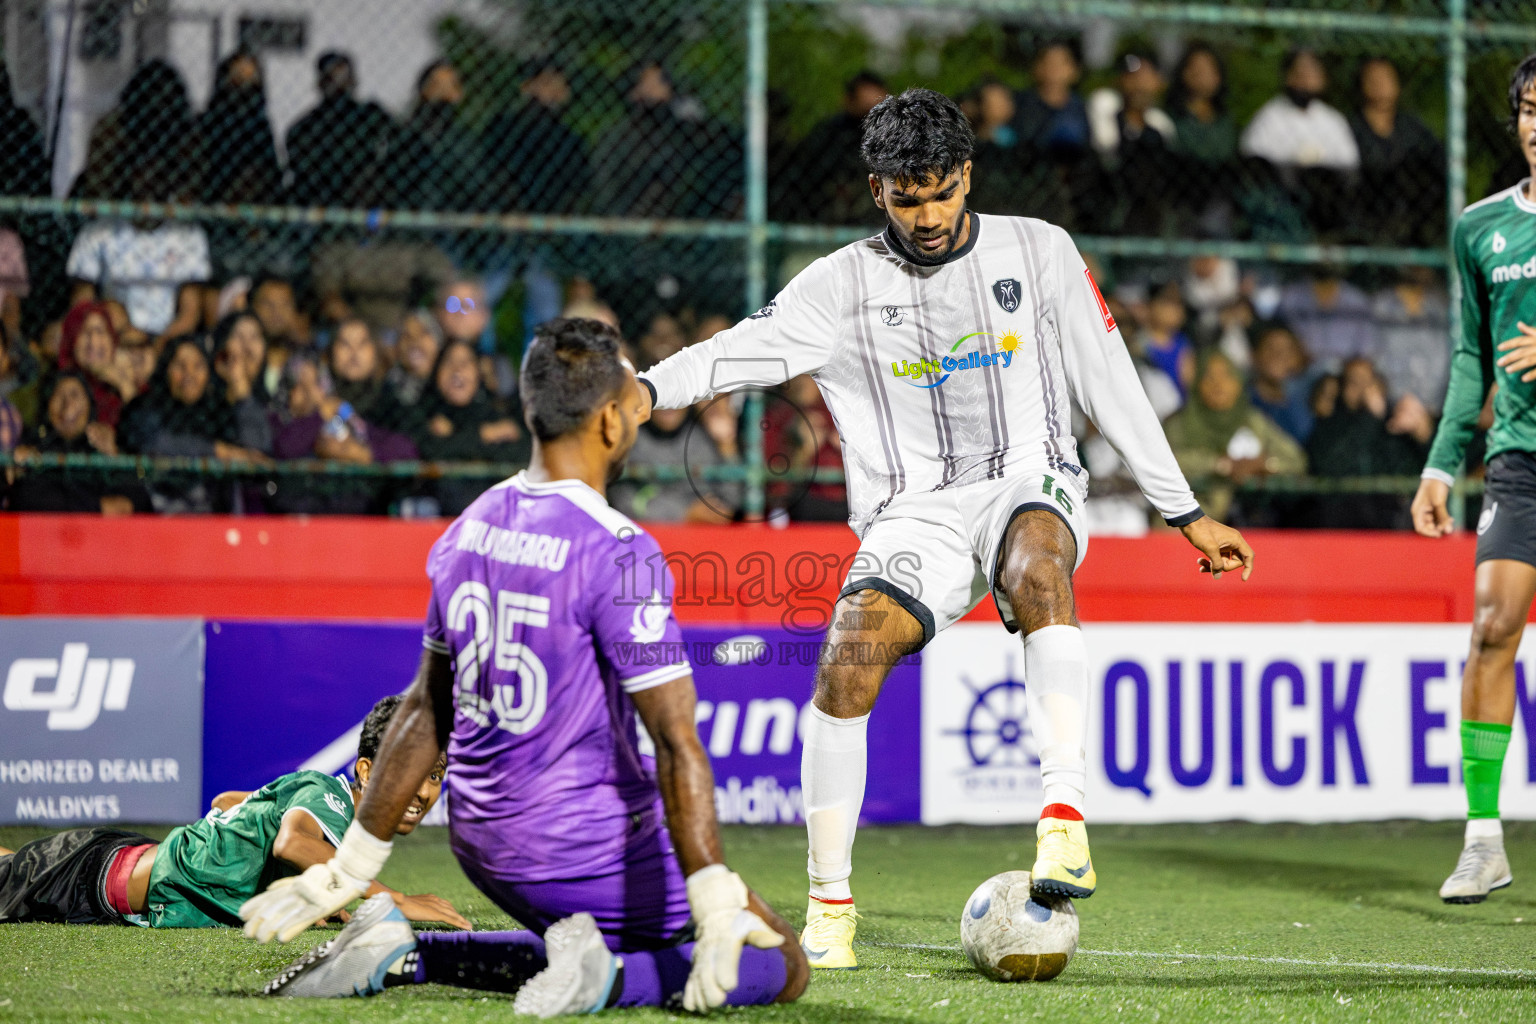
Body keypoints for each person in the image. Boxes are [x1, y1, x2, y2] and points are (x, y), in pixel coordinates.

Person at [634, 88, 1253, 968]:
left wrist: (1182, 507)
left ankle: (1064, 815)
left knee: (1038, 566)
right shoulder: (840, 283)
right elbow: (733, 351)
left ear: (967, 175)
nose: (926, 216)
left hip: (1026, 475)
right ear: (877, 190)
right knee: (846, 660)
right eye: (905, 197)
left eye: (940, 192)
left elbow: (1108, 377)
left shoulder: (1039, 249)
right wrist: (646, 390)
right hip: (911, 510)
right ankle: (830, 905)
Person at [239, 318, 808, 1015]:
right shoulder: (619, 548)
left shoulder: (468, 527)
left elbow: (424, 710)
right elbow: (675, 741)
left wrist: (350, 868)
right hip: (582, 850)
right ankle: (608, 984)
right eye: (632, 399)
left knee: (593, 934)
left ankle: (407, 951)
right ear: (609, 421)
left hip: (481, 848)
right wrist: (713, 896)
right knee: (779, 960)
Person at [0, 696, 467, 929]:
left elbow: (226, 802)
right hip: (95, 878)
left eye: (434, 774)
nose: (423, 789)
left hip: (115, 864)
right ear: (366, 770)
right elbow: (291, 843)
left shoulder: (329, 812)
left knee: (12, 866)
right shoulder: (330, 796)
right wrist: (392, 897)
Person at [1411, 53, 1536, 905]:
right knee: (1491, 630)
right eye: (1529, 110)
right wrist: (1440, 462)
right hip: (1518, 460)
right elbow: (1470, 358)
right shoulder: (1480, 228)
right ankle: (1484, 840)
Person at [1164, 351, 1307, 522]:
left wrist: (1264, 464)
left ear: (1238, 383)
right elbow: (1167, 463)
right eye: (1209, 377)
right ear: (1197, 383)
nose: (1218, 384)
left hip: (1253, 516)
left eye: (1226, 376)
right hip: (1193, 516)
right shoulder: (1178, 423)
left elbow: (1296, 460)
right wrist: (1220, 464)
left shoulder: (1253, 421)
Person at [7, 372, 149, 514]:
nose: (67, 404)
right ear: (47, 406)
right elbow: (25, 499)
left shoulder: (104, 448)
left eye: (74, 395)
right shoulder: (32, 446)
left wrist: (114, 457)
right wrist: (98, 507)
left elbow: (139, 503)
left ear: (89, 404)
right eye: (59, 395)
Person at [1349, 56, 1445, 247]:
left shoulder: (1413, 128)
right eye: (1373, 78)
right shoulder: (1351, 128)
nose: (1380, 84)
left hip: (1412, 217)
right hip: (1367, 216)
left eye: (1386, 77)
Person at [285, 51, 395, 208]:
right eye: (331, 76)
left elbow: (397, 144)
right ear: (321, 82)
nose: (338, 82)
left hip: (364, 199)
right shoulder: (304, 127)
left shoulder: (371, 115)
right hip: (319, 201)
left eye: (343, 75)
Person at [482, 58, 589, 214]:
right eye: (547, 83)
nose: (555, 91)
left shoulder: (571, 139)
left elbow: (578, 186)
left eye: (560, 85)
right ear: (527, 87)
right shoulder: (502, 127)